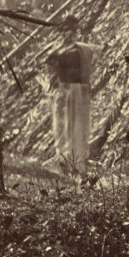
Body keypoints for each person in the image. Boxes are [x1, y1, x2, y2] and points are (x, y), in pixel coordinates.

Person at [44, 36, 96, 184]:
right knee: (69, 128)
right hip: (72, 90)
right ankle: (70, 162)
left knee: (74, 128)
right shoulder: (74, 52)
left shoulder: (73, 52)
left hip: (73, 91)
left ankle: (74, 163)